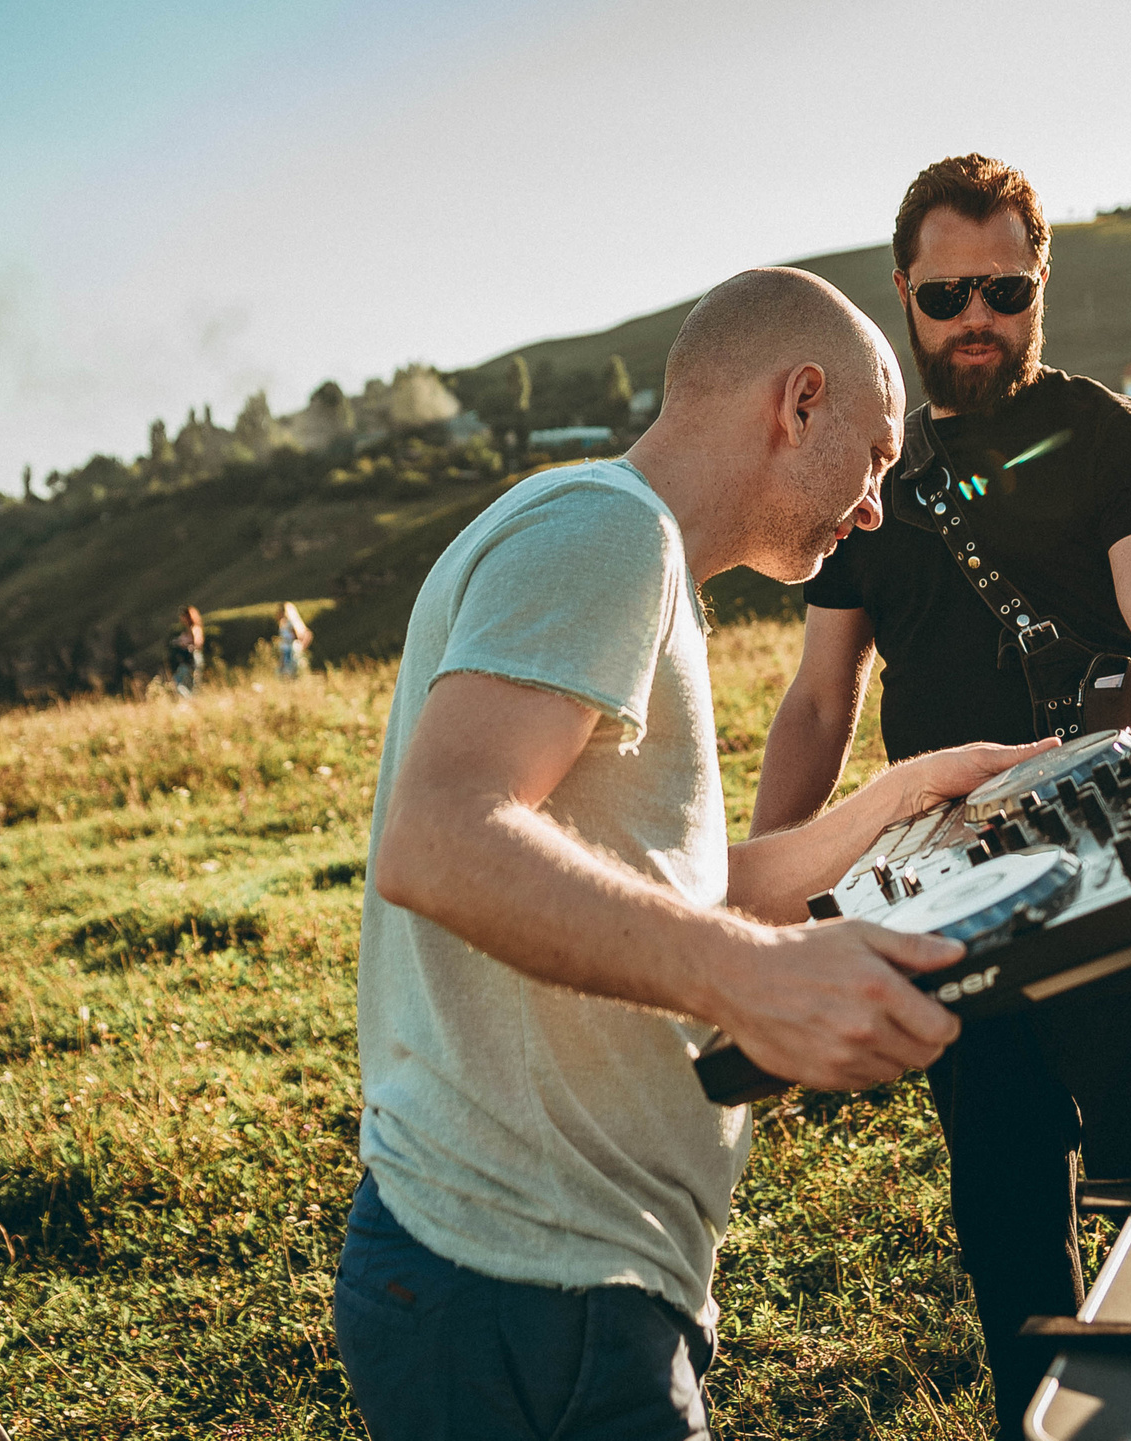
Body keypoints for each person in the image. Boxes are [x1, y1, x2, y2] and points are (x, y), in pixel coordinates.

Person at [336, 267, 1057, 1441]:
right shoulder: (604, 533)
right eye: (874, 459)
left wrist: (895, 798)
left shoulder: (619, 544)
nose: (875, 508)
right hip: (525, 1284)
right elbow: (441, 837)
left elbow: (671, 889)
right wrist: (749, 978)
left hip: (548, 1279)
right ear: (800, 403)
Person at [750, 154, 1131, 1438]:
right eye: (948, 293)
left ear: (1039, 286)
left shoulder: (1108, 440)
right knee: (1008, 1221)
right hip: (942, 890)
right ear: (904, 293)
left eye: (1005, 291)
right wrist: (765, 881)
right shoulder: (871, 479)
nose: (977, 320)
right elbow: (818, 698)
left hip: (1110, 859)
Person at [166, 606, 203, 697]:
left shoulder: (194, 628)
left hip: (193, 657)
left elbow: (198, 643)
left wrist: (184, 643)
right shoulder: (188, 629)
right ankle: (191, 699)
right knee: (184, 681)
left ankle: (191, 700)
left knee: (188, 682)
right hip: (188, 658)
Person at [276, 601, 312, 680]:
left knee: (290, 673)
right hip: (286, 651)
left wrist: (301, 646)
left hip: (291, 650)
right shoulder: (284, 623)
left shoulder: (290, 623)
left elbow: (305, 635)